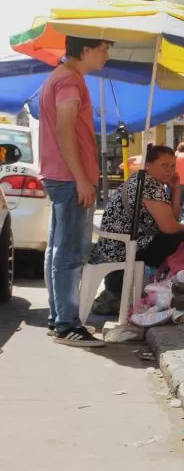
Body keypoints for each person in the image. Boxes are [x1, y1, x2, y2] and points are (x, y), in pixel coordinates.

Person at [39, 36, 110, 347]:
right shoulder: (69, 80)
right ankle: (67, 324)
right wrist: (82, 178)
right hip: (69, 178)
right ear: (85, 50)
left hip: (61, 176)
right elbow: (65, 129)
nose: (107, 54)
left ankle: (59, 320)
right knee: (69, 254)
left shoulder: (61, 77)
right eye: (103, 48)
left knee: (58, 250)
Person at [89, 145, 184, 312]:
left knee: (180, 236)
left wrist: (175, 190)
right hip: (123, 248)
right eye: (164, 165)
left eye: (173, 166)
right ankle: (174, 287)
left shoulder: (145, 180)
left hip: (117, 246)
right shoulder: (148, 185)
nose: (170, 171)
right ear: (149, 165)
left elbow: (172, 219)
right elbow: (170, 227)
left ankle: (162, 285)